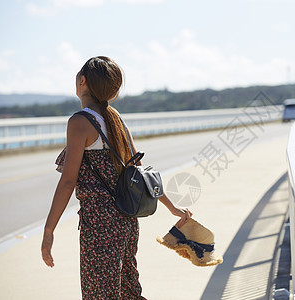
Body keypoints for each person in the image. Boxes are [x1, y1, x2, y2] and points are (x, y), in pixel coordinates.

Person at [41, 56, 192, 299]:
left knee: (100, 293)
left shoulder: (80, 122)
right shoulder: (118, 121)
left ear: (82, 81)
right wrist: (172, 207)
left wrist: (49, 230)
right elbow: (142, 176)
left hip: (100, 225)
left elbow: (68, 181)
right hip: (127, 222)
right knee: (128, 291)